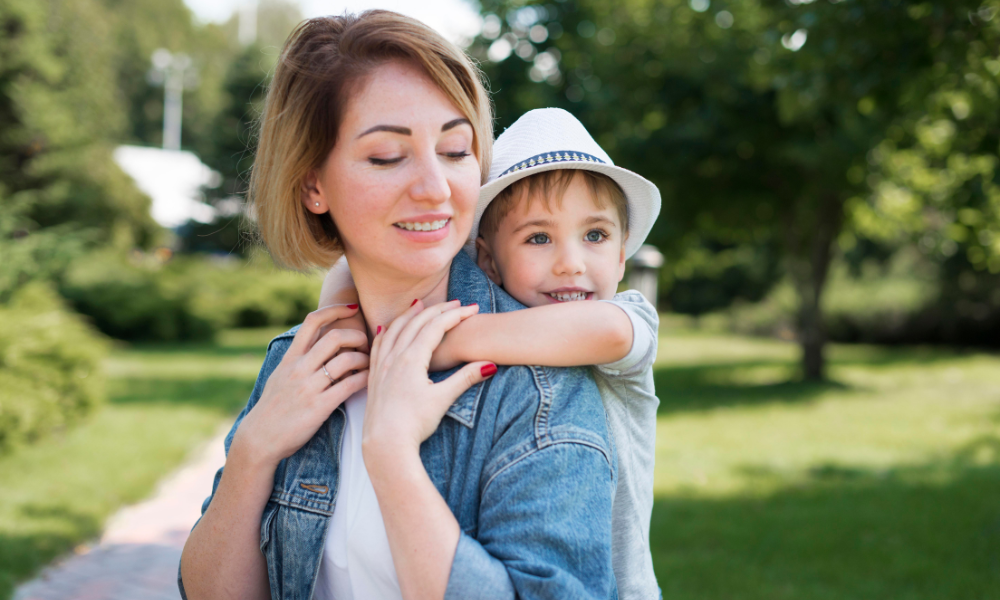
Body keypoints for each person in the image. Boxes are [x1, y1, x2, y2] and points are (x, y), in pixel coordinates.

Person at [178, 11, 617, 600]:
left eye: (456, 150)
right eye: (388, 156)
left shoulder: (535, 386)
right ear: (313, 185)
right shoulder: (299, 361)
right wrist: (253, 453)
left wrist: (390, 454)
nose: (436, 187)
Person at [320, 108, 663, 600]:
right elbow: (346, 267)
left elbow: (607, 331)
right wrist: (338, 321)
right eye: (539, 238)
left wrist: (449, 341)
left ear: (623, 252)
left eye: (596, 235)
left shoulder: (627, 315)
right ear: (487, 260)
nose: (571, 263)